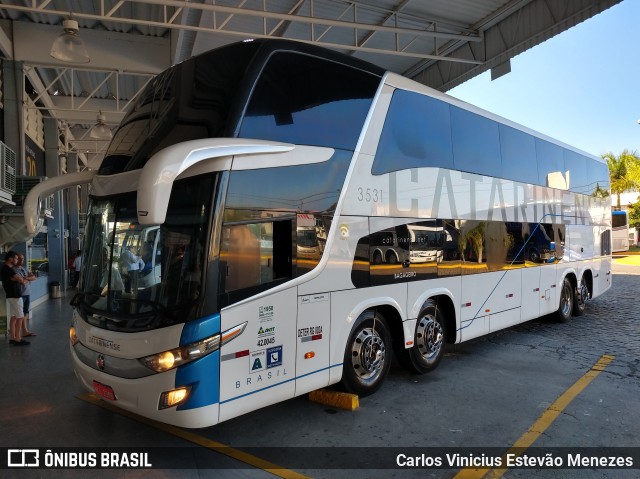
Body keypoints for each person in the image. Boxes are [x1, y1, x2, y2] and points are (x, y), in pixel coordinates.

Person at [1, 251, 29, 346]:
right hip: (15, 296)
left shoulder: (7, 269)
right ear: (10, 259)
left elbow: (19, 279)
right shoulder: (9, 269)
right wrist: (22, 280)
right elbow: (22, 280)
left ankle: (12, 337)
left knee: (14, 317)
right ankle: (18, 339)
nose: (17, 260)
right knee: (20, 317)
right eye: (16, 258)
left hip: (12, 296)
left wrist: (19, 280)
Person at [15, 253, 37, 337]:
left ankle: (25, 331)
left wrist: (26, 278)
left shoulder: (24, 268)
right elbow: (22, 281)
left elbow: (34, 277)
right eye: (19, 259)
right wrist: (26, 279)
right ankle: (19, 333)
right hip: (20, 294)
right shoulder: (14, 270)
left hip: (27, 293)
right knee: (19, 314)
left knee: (25, 312)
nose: (21, 260)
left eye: (23, 259)